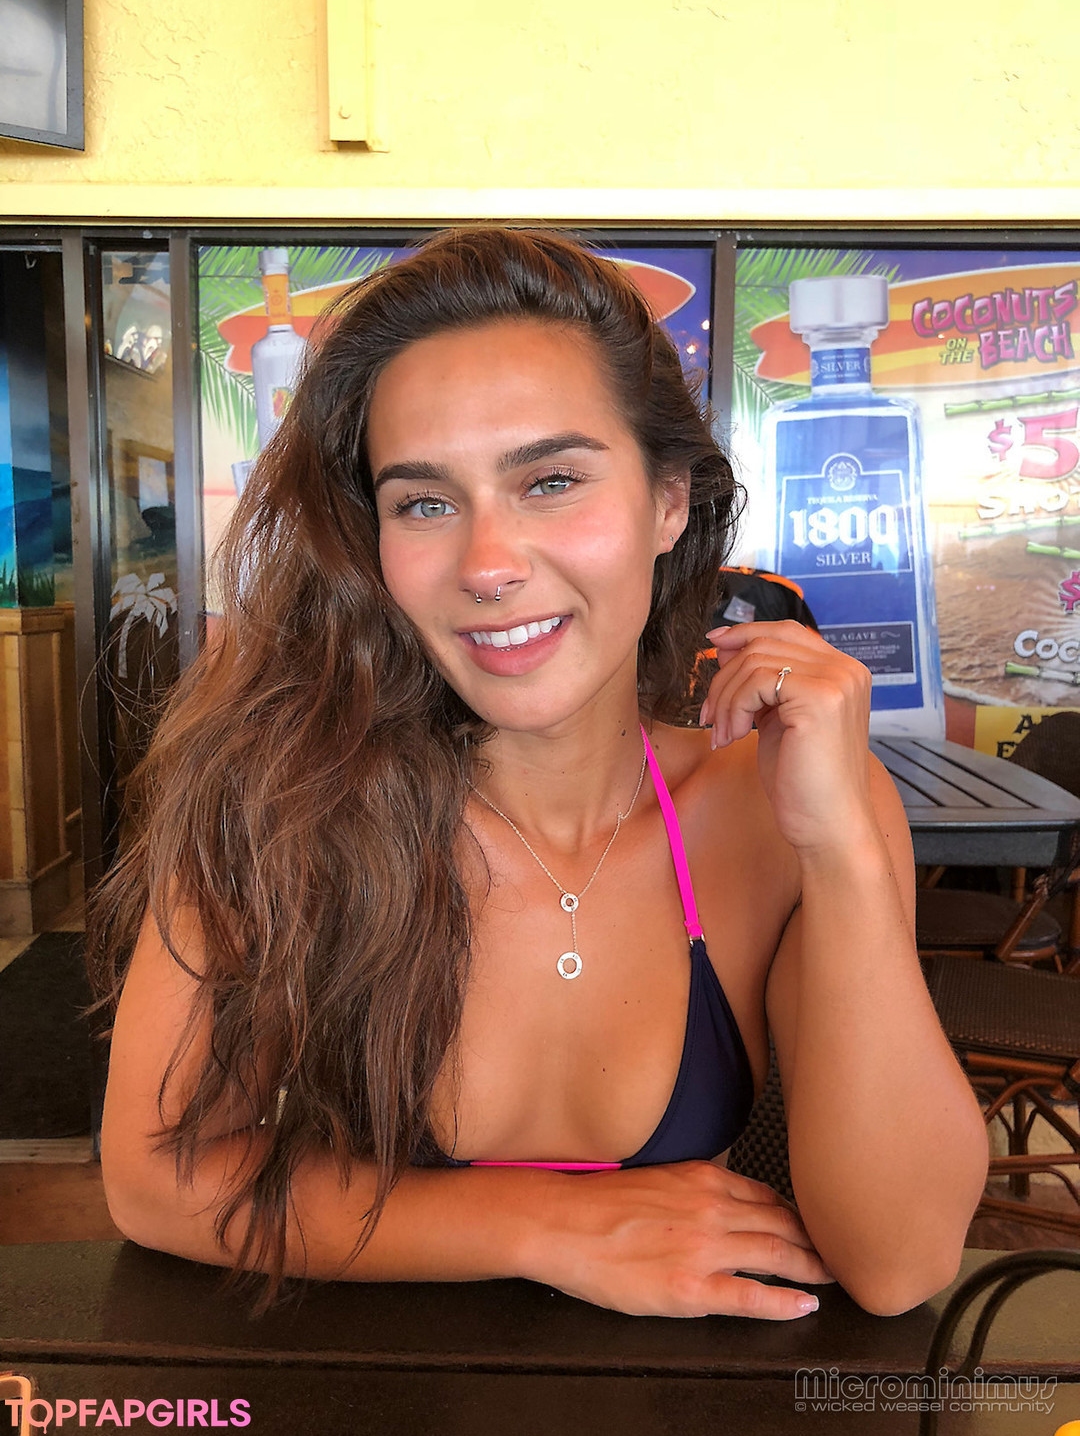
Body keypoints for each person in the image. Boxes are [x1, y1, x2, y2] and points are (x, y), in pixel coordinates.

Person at [91, 227, 989, 1321]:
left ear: (668, 502)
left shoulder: (774, 809)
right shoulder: (279, 798)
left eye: (552, 480)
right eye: (424, 502)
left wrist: (841, 849)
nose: (487, 565)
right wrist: (548, 1226)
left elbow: (900, 1261)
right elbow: (155, 1179)